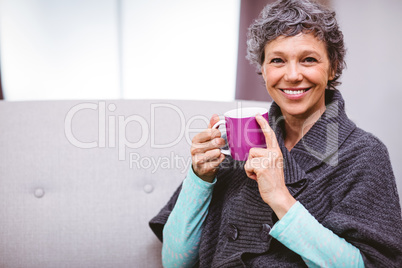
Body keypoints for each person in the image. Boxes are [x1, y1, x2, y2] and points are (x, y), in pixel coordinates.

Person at [150, 0, 402, 267]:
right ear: (263, 68)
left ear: (333, 66)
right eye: (278, 60)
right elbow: (174, 262)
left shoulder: (363, 154)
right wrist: (199, 179)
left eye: (308, 59)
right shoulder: (236, 141)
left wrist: (280, 197)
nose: (292, 75)